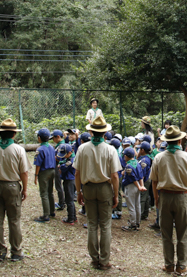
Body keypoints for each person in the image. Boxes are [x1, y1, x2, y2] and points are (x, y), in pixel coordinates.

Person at [74, 115, 122, 270]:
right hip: (104, 189)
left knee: (92, 224)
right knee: (106, 225)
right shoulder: (110, 149)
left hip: (87, 188)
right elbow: (114, 175)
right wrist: (116, 195)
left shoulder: (82, 148)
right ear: (105, 133)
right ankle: (104, 259)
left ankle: (94, 259)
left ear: (91, 132)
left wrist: (79, 191)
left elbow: (77, 173)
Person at [150, 125, 187, 274]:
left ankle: (169, 264)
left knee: (166, 233)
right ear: (179, 141)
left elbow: (154, 181)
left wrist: (157, 198)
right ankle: (182, 266)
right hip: (182, 196)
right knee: (182, 232)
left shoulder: (159, 157)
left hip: (164, 196)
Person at [0, 118, 29, 262]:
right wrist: (25, 189)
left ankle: (0, 251)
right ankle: (16, 251)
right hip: (12, 186)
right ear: (14, 134)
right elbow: (24, 173)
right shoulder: (18, 150)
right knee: (14, 219)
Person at [121, 147, 147, 232]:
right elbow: (140, 176)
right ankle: (137, 222)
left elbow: (133, 178)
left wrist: (139, 186)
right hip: (137, 186)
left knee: (131, 206)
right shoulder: (137, 162)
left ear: (126, 156)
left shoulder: (129, 165)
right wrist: (141, 186)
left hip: (131, 186)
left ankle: (133, 224)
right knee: (137, 205)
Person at [33, 128, 56, 223]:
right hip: (52, 171)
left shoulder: (40, 149)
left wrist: (36, 175)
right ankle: (52, 211)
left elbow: (38, 164)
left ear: (39, 138)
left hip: (44, 173)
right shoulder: (51, 147)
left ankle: (46, 216)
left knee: (44, 193)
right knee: (50, 192)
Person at [57, 143, 77, 224]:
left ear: (70, 152)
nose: (63, 157)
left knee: (69, 200)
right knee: (70, 199)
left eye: (64, 154)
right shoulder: (68, 158)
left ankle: (70, 218)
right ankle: (73, 216)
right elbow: (62, 162)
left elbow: (63, 167)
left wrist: (60, 166)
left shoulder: (71, 160)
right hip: (68, 180)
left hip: (70, 181)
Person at [52, 130, 66, 211]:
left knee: (58, 185)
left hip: (59, 167)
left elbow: (58, 158)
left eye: (53, 138)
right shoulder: (60, 144)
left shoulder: (61, 145)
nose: (53, 140)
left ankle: (62, 203)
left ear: (58, 137)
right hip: (59, 166)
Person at [138, 142, 152, 221]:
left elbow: (142, 174)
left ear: (142, 150)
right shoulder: (144, 158)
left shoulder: (144, 160)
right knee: (146, 197)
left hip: (144, 180)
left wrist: (141, 184)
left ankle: (140, 214)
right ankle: (145, 214)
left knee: (142, 198)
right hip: (146, 179)